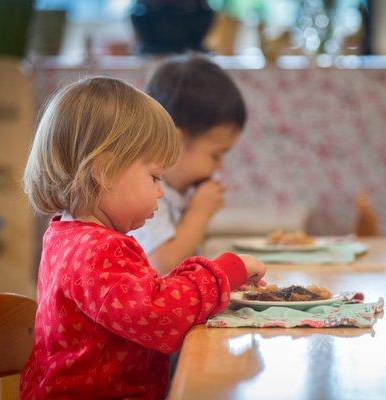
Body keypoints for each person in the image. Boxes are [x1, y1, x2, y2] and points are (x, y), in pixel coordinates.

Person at [19, 76, 265, 399]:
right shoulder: (99, 250)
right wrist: (227, 271)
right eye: (154, 176)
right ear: (104, 171)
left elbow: (149, 292)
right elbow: (160, 316)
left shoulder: (67, 234)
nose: (161, 191)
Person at [130, 54, 247, 273]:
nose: (219, 167)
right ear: (175, 141)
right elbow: (162, 265)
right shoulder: (147, 192)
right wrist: (198, 214)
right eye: (215, 155)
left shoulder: (176, 191)